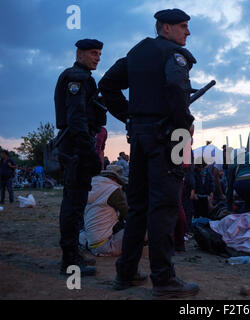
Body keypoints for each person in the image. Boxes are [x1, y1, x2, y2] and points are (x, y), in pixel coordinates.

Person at [99, 8, 199, 298]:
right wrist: (186, 125)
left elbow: (107, 85)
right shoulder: (175, 55)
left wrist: (129, 117)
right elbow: (174, 86)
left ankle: (126, 272)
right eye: (183, 26)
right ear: (165, 28)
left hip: (140, 138)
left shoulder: (137, 52)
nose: (187, 32)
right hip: (167, 138)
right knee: (165, 207)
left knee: (140, 206)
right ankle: (164, 279)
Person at [54, 39, 105, 276]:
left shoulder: (82, 77)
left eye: (99, 53)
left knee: (76, 204)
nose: (97, 57)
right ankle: (70, 260)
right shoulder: (77, 78)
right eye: (93, 53)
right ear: (79, 53)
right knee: (73, 206)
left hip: (77, 148)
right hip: (76, 150)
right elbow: (76, 119)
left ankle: (73, 253)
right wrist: (88, 153)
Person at [79, 165, 128, 256]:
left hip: (92, 242)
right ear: (115, 179)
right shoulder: (112, 189)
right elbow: (128, 215)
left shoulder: (90, 186)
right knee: (142, 228)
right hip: (106, 244)